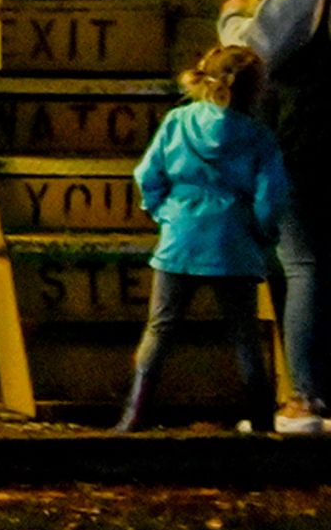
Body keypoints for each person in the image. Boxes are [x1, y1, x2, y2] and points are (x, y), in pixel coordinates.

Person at [119, 44, 293, 433]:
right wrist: (261, 234)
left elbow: (148, 173)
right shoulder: (260, 138)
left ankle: (134, 414)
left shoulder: (178, 122)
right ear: (256, 89)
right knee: (245, 335)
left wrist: (162, 211)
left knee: (160, 329)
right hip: (234, 245)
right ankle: (263, 420)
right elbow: (272, 197)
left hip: (179, 241)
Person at [217, 0, 329, 435]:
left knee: (300, 261)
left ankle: (302, 397)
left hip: (304, 130)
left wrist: (232, 15)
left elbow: (255, 50)